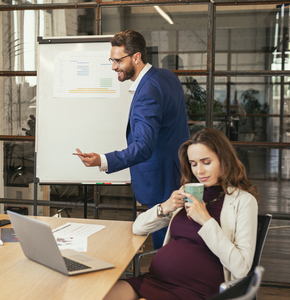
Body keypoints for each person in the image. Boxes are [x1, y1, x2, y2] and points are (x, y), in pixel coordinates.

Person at [104, 127, 259, 300]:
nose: (199, 171)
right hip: (155, 281)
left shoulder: (243, 202)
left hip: (196, 291)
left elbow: (241, 268)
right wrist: (166, 206)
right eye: (193, 164)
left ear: (224, 160)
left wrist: (206, 221)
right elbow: (138, 228)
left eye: (206, 162)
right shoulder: (188, 193)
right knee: (100, 295)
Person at [76, 29, 190, 248]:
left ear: (136, 57)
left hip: (160, 180)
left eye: (118, 60)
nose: (113, 66)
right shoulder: (166, 76)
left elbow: (143, 147)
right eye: (112, 60)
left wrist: (103, 160)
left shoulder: (147, 92)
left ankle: (164, 281)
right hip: (177, 171)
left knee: (163, 245)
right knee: (174, 240)